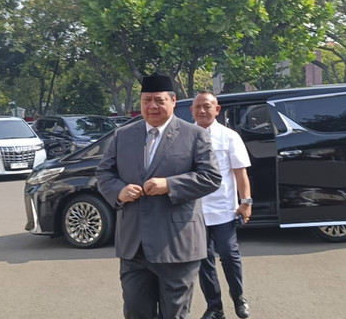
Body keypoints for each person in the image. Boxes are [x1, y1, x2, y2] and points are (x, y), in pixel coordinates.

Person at [96, 74, 222, 319]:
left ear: (173, 101)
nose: (152, 106)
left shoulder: (193, 135)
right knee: (135, 311)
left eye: (159, 100)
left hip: (176, 246)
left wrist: (170, 185)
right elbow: (104, 173)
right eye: (146, 100)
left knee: (174, 315)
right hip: (134, 246)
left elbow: (211, 177)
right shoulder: (123, 135)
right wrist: (118, 191)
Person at [191, 91, 252, 319]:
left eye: (207, 106)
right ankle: (215, 307)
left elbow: (240, 173)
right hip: (195, 211)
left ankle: (238, 297)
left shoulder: (229, 136)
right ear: (192, 110)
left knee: (228, 255)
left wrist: (246, 202)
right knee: (202, 260)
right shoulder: (185, 136)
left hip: (224, 209)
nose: (202, 111)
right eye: (198, 107)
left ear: (217, 110)